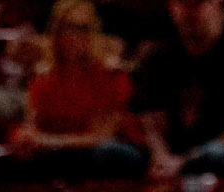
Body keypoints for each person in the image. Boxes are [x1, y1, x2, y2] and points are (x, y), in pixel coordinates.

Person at [131, 0, 224, 180]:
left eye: (197, 4)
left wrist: (186, 161)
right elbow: (150, 123)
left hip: (217, 156)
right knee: (113, 153)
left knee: (217, 156)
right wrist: (162, 157)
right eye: (183, 5)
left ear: (216, 4)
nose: (189, 12)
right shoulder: (159, 59)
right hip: (168, 156)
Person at [10, 0, 140, 175]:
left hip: (101, 152)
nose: (74, 36)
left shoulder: (111, 76)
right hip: (60, 153)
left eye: (82, 29)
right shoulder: (43, 79)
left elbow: (101, 136)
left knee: (109, 153)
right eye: (67, 28)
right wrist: (27, 140)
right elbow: (31, 127)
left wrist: (49, 141)